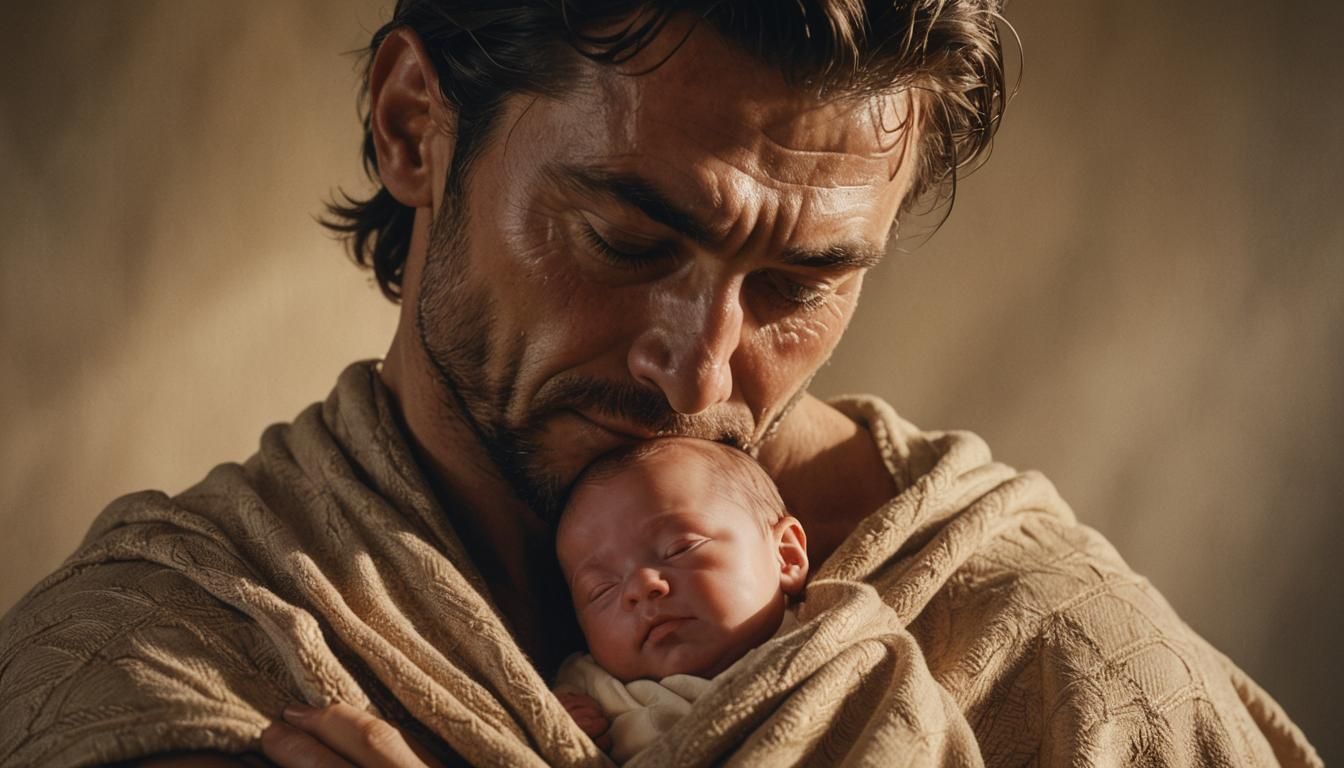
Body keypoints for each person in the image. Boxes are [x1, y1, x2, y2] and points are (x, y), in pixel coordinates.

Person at [0, 1, 1320, 766]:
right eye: (630, 240)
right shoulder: (169, 662)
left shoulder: (1059, 661)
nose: (697, 370)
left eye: (801, 283)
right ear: (414, 124)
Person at [551, 438, 810, 762]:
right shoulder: (593, 686)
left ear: (785, 555)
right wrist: (568, 724)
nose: (641, 586)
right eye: (602, 589)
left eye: (680, 548)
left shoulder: (822, 634)